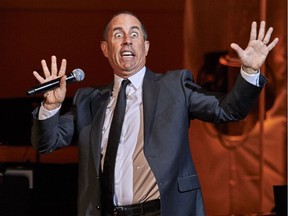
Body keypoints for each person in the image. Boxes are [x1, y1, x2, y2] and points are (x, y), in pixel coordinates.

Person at [31, 11, 278, 216]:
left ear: (146, 47)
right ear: (106, 49)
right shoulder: (89, 100)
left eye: (134, 34)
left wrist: (248, 72)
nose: (127, 40)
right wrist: (51, 107)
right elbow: (46, 143)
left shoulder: (174, 87)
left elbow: (228, 111)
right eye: (118, 35)